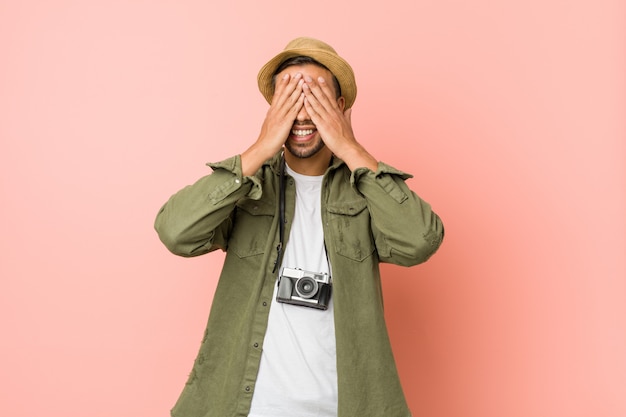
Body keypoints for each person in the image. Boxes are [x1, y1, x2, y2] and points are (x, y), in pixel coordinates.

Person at [155, 37, 444, 417]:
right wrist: (259, 148)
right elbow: (176, 232)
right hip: (245, 406)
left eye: (315, 98)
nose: (302, 114)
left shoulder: (365, 192)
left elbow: (420, 240)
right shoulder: (249, 186)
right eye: (289, 98)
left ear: (340, 107)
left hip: (344, 406)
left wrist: (351, 147)